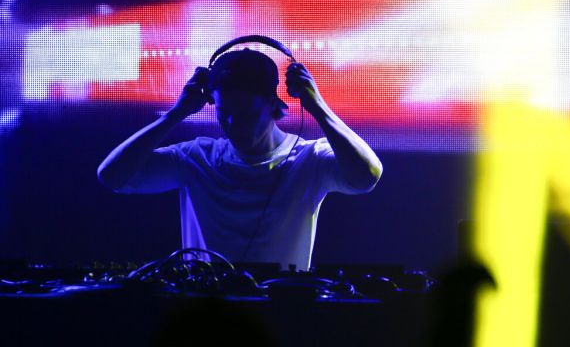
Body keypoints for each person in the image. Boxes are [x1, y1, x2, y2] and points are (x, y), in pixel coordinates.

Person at [97, 48, 382, 270]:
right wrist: (177, 112)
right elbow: (112, 177)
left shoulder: (310, 158)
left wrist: (317, 106)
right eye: (224, 113)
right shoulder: (196, 157)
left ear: (273, 103)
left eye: (247, 114)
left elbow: (367, 175)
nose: (233, 124)